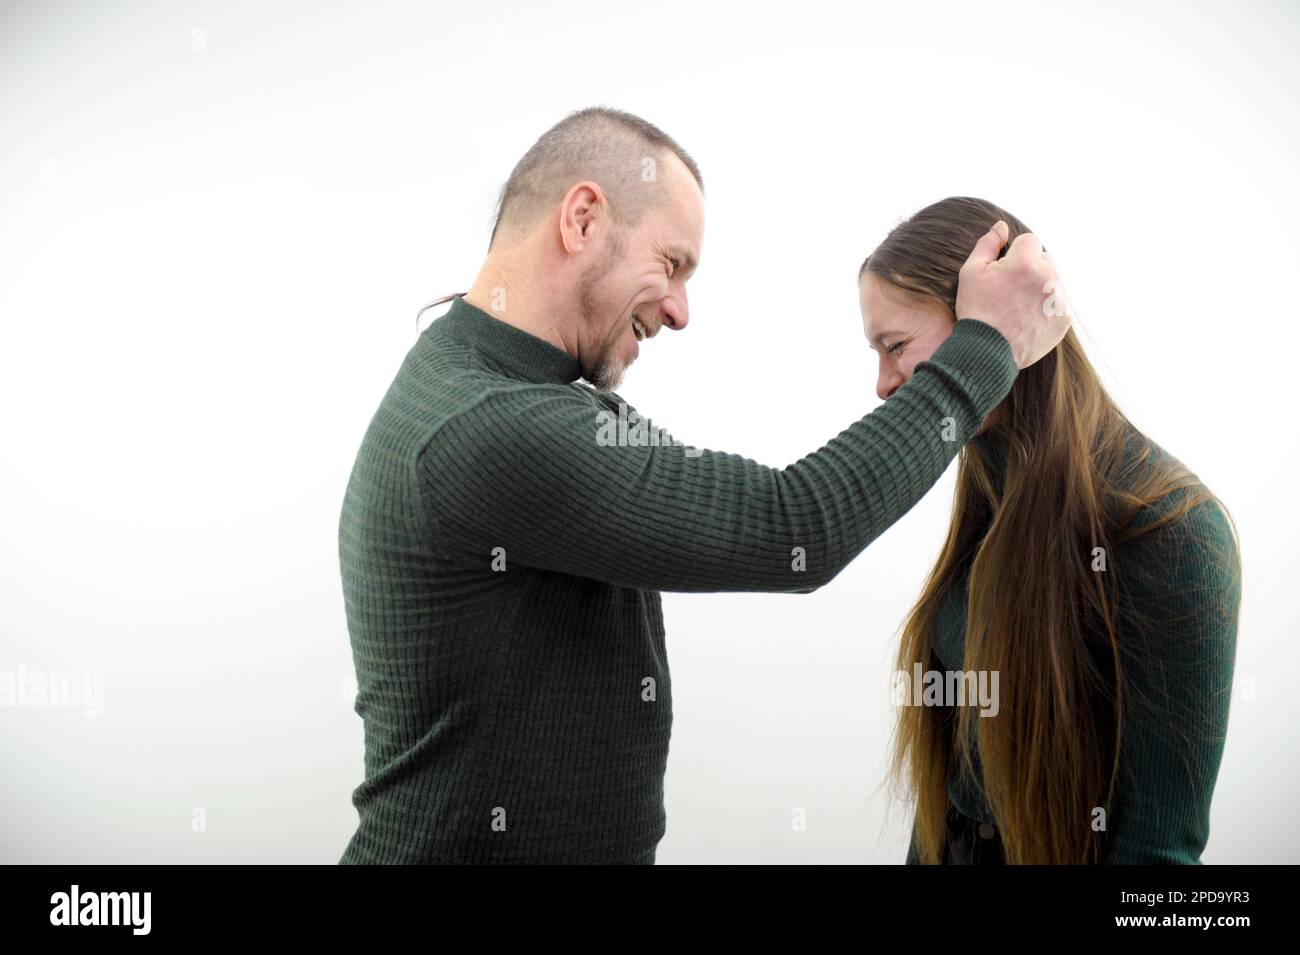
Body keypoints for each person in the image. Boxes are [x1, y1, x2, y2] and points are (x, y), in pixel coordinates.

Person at [337, 109, 1067, 864]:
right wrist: (985, 350)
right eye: (673, 262)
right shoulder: (490, 426)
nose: (681, 311)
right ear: (583, 218)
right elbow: (796, 526)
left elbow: (752, 498)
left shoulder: (503, 384)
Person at [858, 196, 1241, 864]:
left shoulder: (1173, 530)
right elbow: (949, 795)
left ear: (988, 322)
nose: (883, 383)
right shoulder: (988, 479)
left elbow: (1159, 849)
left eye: (894, 347)